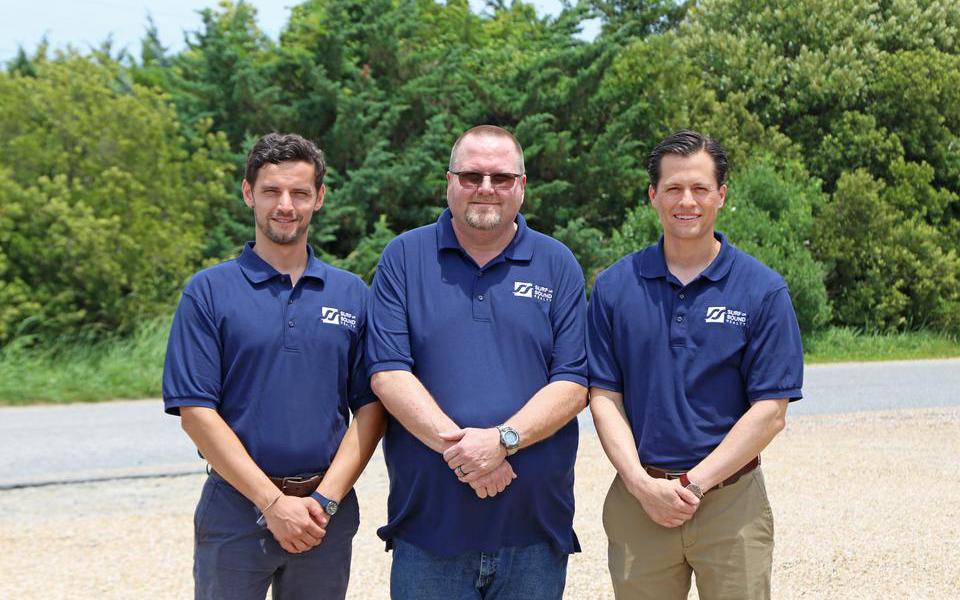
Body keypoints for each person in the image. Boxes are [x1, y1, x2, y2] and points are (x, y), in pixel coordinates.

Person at [366, 125, 589, 599]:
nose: (486, 188)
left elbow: (573, 383)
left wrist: (503, 442)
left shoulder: (558, 263)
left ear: (522, 186)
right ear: (448, 181)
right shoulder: (403, 259)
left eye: (501, 178)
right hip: (429, 531)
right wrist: (473, 456)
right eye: (471, 176)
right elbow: (388, 373)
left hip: (533, 531)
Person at [162, 133, 385, 600]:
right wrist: (272, 503)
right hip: (236, 509)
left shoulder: (352, 295)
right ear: (248, 193)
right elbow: (196, 413)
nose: (286, 205)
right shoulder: (208, 292)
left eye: (300, 193)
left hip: (326, 511)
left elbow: (371, 409)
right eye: (271, 191)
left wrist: (324, 500)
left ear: (319, 198)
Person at [587, 129, 803, 599]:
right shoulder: (614, 288)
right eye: (674, 188)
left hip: (731, 504)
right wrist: (642, 486)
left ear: (721, 195)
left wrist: (691, 485)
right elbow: (604, 397)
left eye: (700, 188)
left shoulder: (762, 290)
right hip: (639, 501)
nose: (687, 201)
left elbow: (771, 411)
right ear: (653, 195)